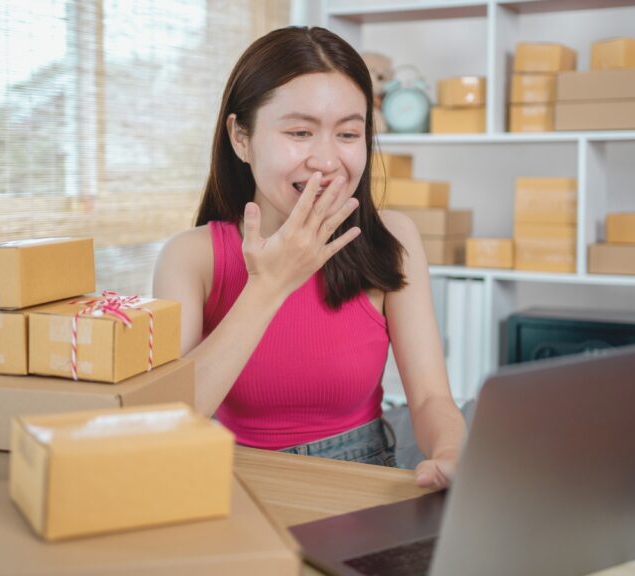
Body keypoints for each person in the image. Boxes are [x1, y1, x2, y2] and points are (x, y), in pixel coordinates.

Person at [152, 26, 466, 489]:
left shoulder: (392, 238)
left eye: (348, 133)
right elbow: (169, 418)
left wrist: (452, 453)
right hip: (239, 486)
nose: (326, 160)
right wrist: (269, 285)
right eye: (300, 132)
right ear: (241, 137)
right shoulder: (191, 256)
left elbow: (431, 398)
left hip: (363, 478)